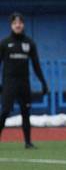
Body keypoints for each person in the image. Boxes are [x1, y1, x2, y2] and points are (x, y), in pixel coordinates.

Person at [0, 12, 49, 148]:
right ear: (11, 25)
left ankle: (28, 142)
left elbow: (36, 65)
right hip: (9, 83)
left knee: (26, 112)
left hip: (24, 83)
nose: (18, 25)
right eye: (15, 23)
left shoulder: (29, 43)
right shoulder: (5, 43)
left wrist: (43, 83)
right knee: (4, 111)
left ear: (23, 25)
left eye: (20, 23)